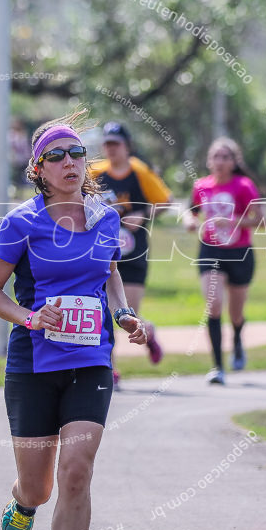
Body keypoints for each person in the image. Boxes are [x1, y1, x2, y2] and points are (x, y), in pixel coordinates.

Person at [0, 108, 148, 530]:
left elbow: (109, 273)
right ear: (39, 169)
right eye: (58, 155)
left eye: (77, 152)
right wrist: (32, 318)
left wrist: (123, 314)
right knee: (39, 488)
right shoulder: (21, 223)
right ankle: (22, 503)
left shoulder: (104, 217)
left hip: (91, 360)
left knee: (77, 467)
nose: (71, 161)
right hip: (32, 365)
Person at [89, 122, 174, 386]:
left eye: (116, 144)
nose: (111, 149)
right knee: (103, 310)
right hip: (105, 252)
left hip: (134, 251)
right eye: (107, 144)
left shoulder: (139, 171)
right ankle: (110, 368)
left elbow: (166, 201)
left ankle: (149, 331)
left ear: (127, 147)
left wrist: (143, 213)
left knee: (129, 312)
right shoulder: (95, 172)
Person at [185, 137, 265, 385]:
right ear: (209, 161)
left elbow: (262, 221)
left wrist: (233, 221)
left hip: (239, 252)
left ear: (233, 162)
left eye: (225, 157)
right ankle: (218, 367)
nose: (219, 162)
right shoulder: (201, 186)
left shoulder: (243, 186)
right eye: (215, 156)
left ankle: (238, 338)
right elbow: (190, 210)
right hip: (211, 251)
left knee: (236, 313)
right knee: (214, 303)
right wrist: (189, 220)